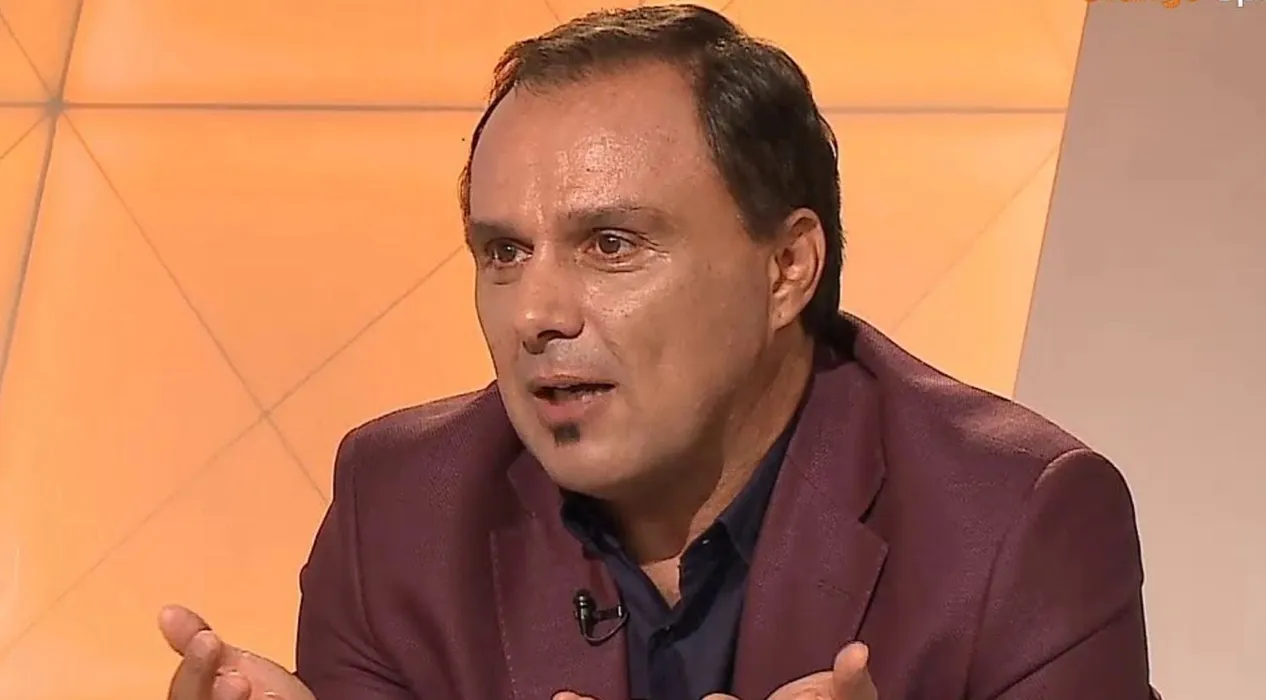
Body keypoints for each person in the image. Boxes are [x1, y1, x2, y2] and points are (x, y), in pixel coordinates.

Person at [158, 4, 1159, 699]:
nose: (534, 313)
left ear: (787, 268)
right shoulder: (402, 510)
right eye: (504, 252)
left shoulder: (1016, 522)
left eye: (610, 244)